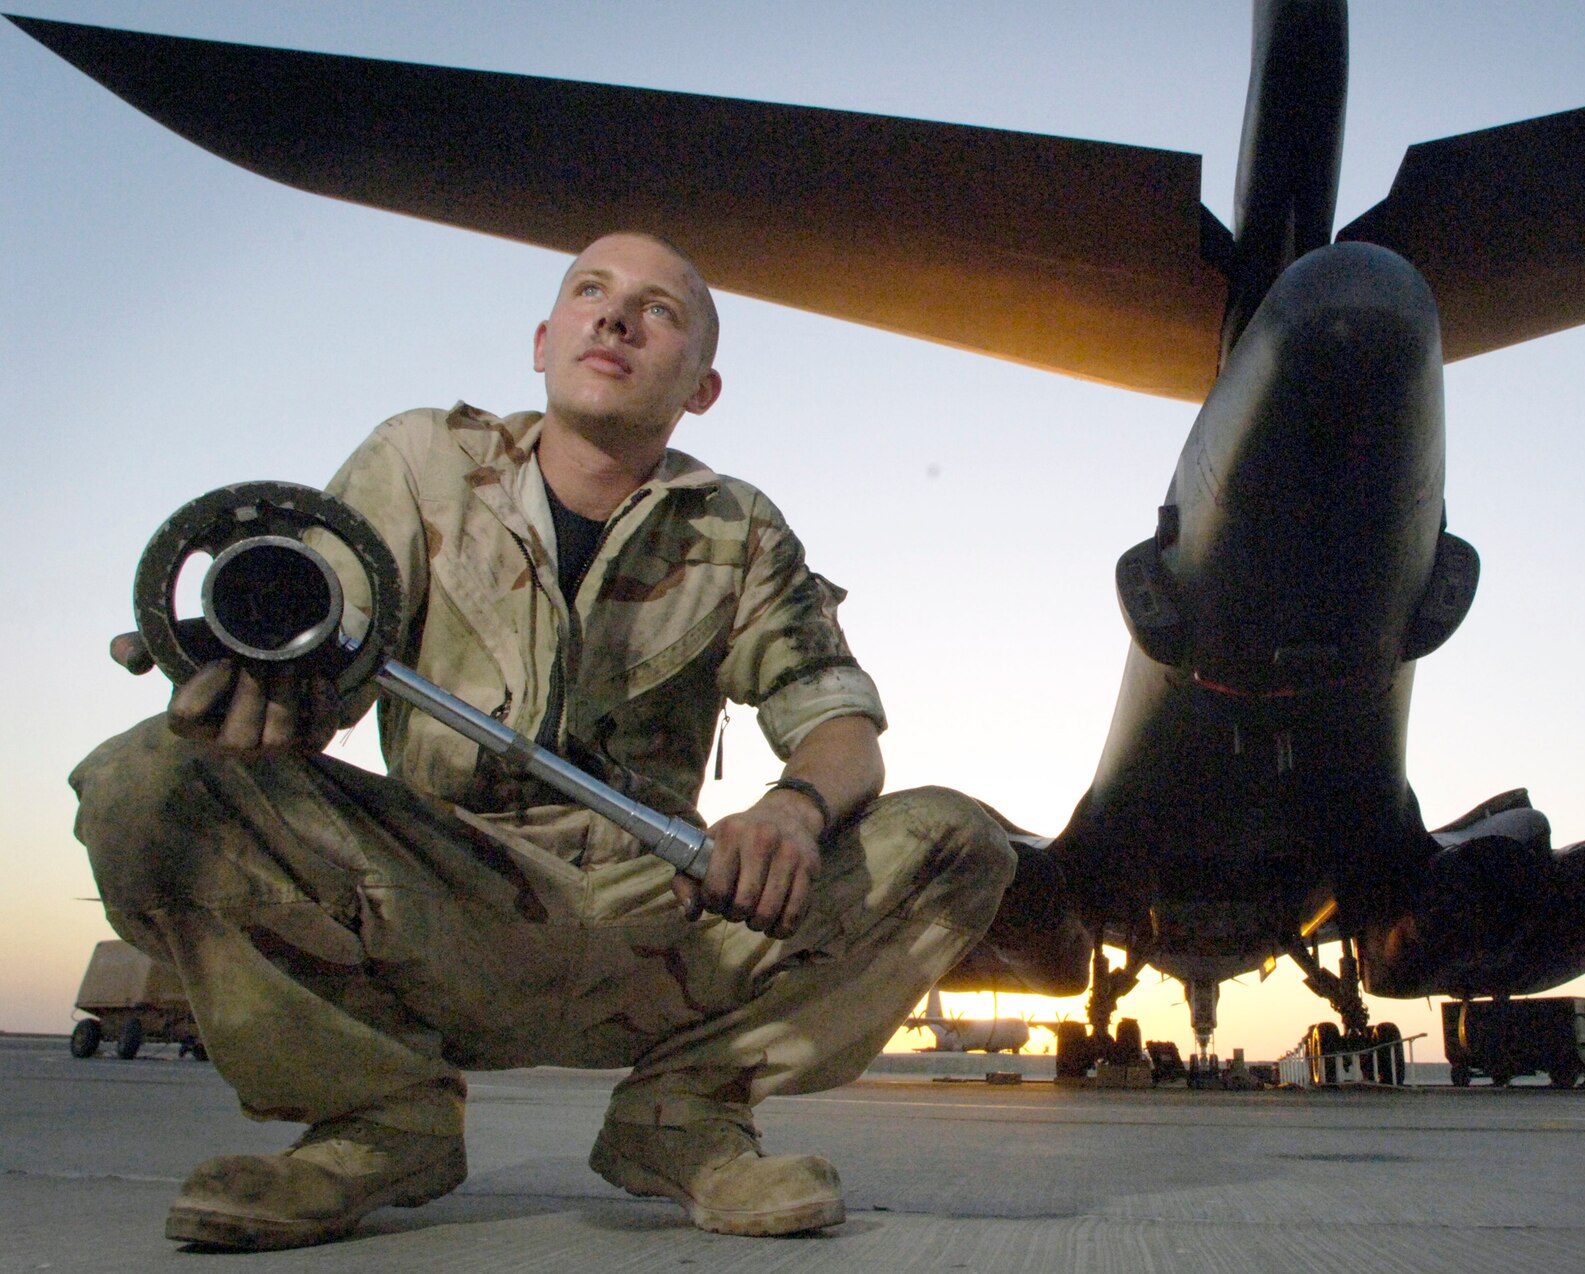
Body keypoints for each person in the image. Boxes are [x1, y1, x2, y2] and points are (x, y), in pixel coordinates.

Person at [70, 231, 1016, 1250]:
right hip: (433, 899)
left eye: (659, 309)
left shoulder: (738, 528)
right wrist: (264, 697)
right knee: (146, 782)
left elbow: (840, 729)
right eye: (590, 291)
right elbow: (317, 662)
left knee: (958, 843)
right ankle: (380, 1119)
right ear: (542, 339)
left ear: (701, 387)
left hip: (659, 912)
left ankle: (683, 1115)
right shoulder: (420, 461)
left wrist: (791, 810)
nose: (614, 317)